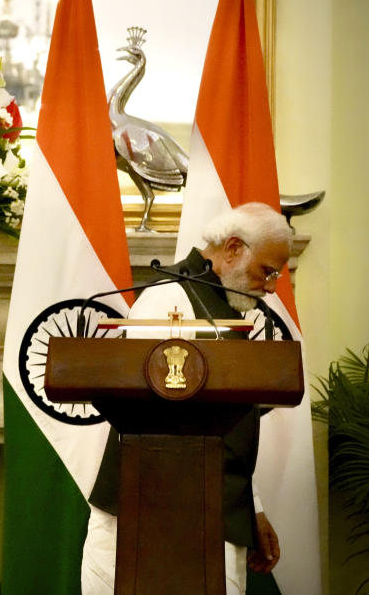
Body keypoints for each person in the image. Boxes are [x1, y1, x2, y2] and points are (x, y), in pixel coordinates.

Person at [81, 202, 290, 595]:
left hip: (208, 511)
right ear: (232, 249)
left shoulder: (223, 304)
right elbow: (143, 412)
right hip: (158, 521)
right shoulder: (170, 300)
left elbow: (226, 424)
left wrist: (252, 506)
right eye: (268, 271)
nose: (272, 287)